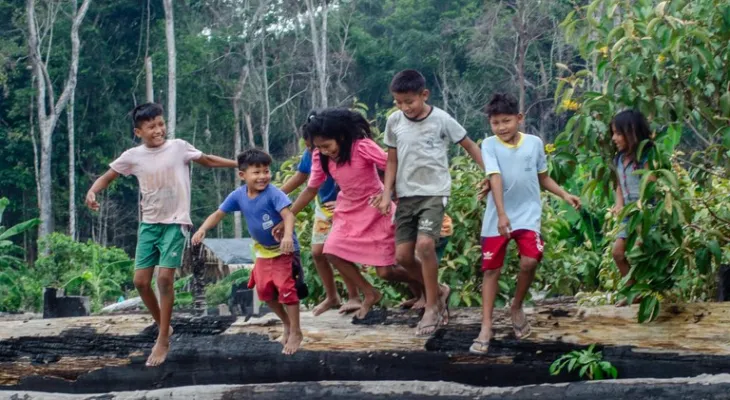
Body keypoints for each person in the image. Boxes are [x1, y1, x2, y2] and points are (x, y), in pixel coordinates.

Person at [85, 103, 237, 366]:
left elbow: (208, 161)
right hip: (149, 225)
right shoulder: (133, 156)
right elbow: (108, 176)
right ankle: (163, 324)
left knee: (164, 278)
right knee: (141, 282)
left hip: (175, 223)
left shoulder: (178, 147)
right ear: (138, 132)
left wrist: (238, 163)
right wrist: (92, 191)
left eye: (161, 124)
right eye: (151, 126)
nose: (158, 130)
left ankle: (163, 337)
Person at [376, 69, 484, 336]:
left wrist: (491, 174)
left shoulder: (441, 119)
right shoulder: (394, 122)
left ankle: (433, 306)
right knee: (402, 257)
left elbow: (469, 145)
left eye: (409, 102)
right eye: (399, 102)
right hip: (405, 195)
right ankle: (439, 290)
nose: (405, 108)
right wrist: (387, 192)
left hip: (434, 192)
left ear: (424, 95)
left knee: (425, 245)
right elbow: (391, 159)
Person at [470, 93, 581, 354]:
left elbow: (542, 178)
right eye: (495, 123)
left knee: (530, 260)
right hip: (497, 215)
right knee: (490, 270)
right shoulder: (489, 144)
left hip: (528, 213)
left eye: (506, 121)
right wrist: (501, 213)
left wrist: (564, 194)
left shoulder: (534, 143)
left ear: (519, 119)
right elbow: (494, 176)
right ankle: (486, 326)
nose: (501, 128)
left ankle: (516, 305)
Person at [290, 108, 418, 320]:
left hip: (376, 208)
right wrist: (290, 214)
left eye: (327, 146)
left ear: (340, 136)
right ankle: (370, 293)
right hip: (348, 210)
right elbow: (311, 188)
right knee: (331, 251)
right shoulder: (319, 157)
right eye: (318, 147)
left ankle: (432, 289)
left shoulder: (362, 147)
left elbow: (393, 166)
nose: (323, 151)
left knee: (386, 272)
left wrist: (389, 193)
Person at [192, 149, 305, 355]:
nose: (263, 177)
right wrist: (203, 229)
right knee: (265, 292)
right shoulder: (238, 195)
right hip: (263, 252)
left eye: (266, 171)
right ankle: (287, 323)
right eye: (257, 172)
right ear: (242, 175)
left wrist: (288, 236)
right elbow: (219, 213)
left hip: (284, 250)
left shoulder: (274, 193)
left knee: (286, 289)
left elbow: (288, 216)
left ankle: (296, 332)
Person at [278, 133, 361, 316]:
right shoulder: (311, 153)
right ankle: (332, 297)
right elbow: (300, 177)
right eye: (308, 146)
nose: (311, 150)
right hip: (324, 208)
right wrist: (272, 195)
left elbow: (361, 181)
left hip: (347, 207)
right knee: (318, 253)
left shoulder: (340, 151)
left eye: (313, 146)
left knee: (340, 252)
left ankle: (354, 296)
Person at [609, 109, 654, 307]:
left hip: (647, 212)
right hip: (629, 214)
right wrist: (619, 204)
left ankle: (654, 292)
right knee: (617, 253)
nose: (614, 138)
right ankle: (633, 291)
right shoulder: (618, 159)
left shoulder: (646, 156)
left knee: (640, 251)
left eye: (618, 134)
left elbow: (651, 183)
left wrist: (641, 205)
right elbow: (619, 185)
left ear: (632, 134)